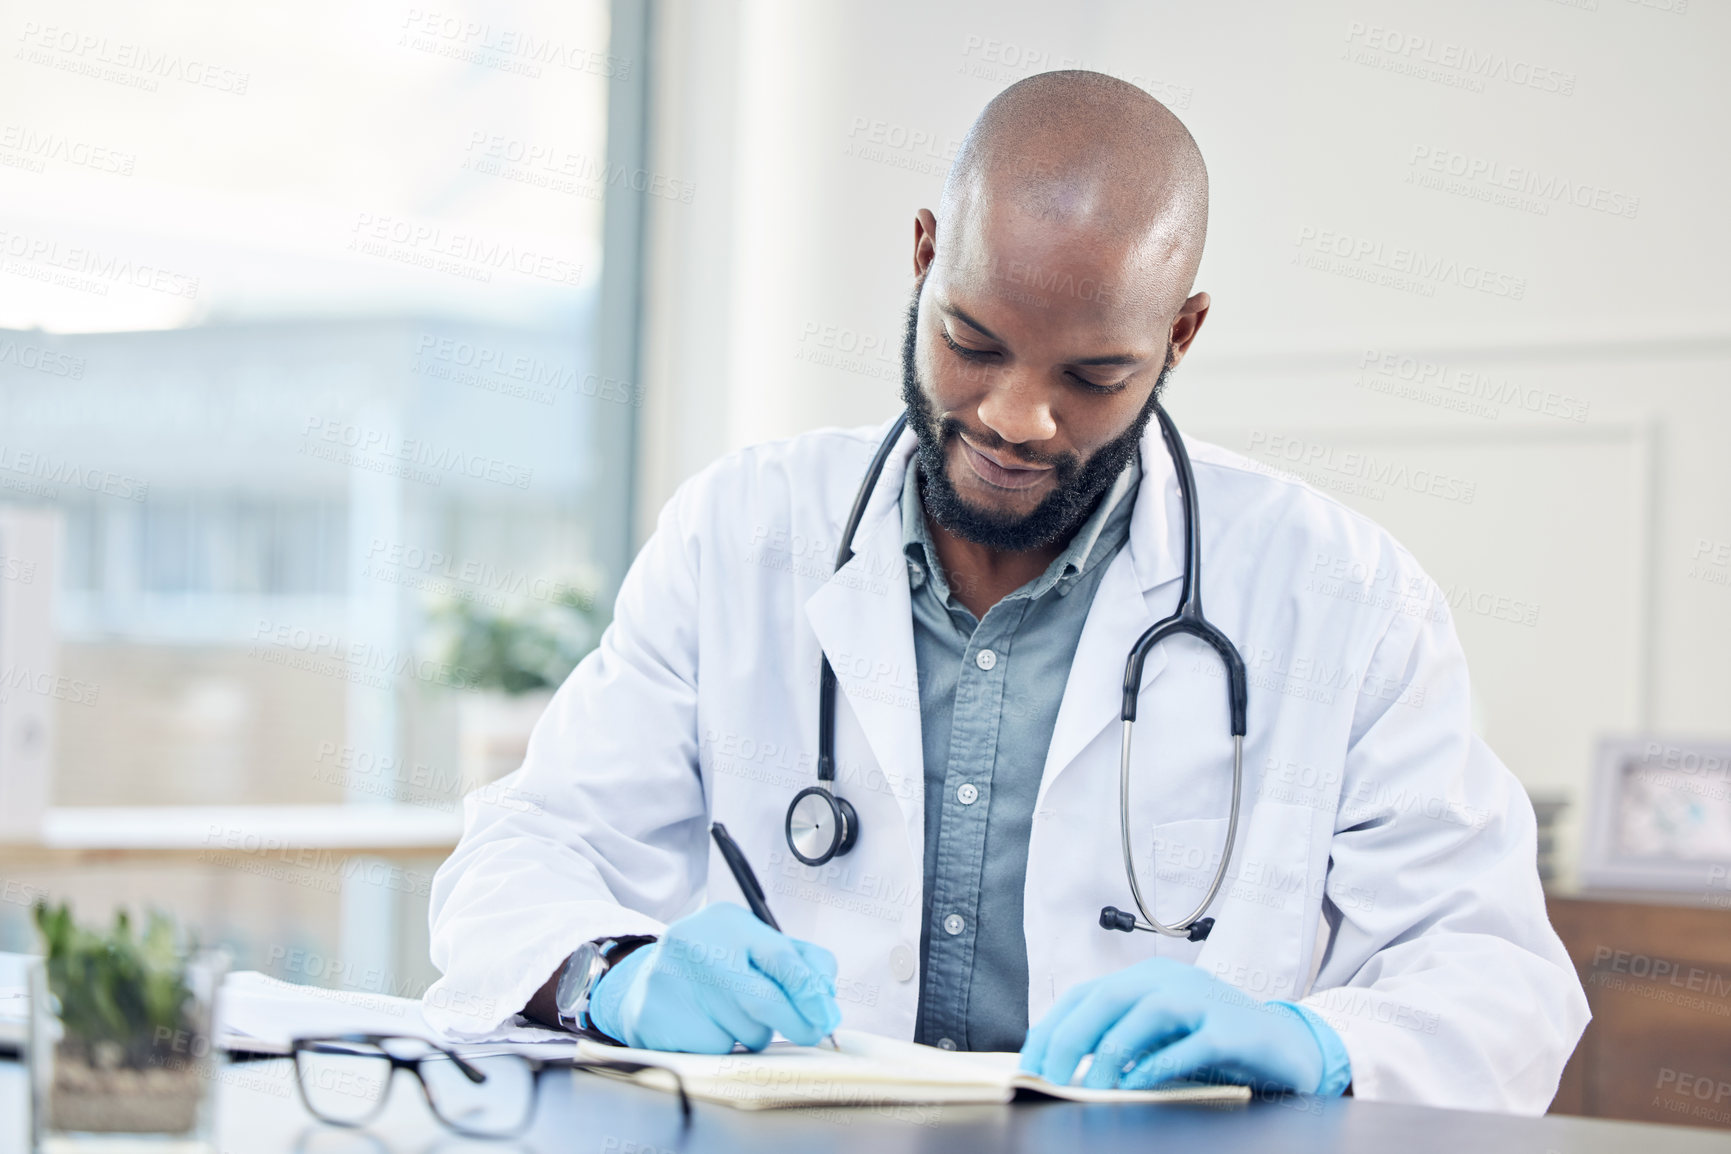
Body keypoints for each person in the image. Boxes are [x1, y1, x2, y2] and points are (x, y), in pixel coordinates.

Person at [423, 70, 1588, 1111]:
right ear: (925, 252)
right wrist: (611, 972)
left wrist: (1313, 1040)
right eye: (972, 342)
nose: (1016, 417)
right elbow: (520, 855)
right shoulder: (742, 532)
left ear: (1180, 334)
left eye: (1093, 374)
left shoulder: (1341, 594)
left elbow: (1499, 978)